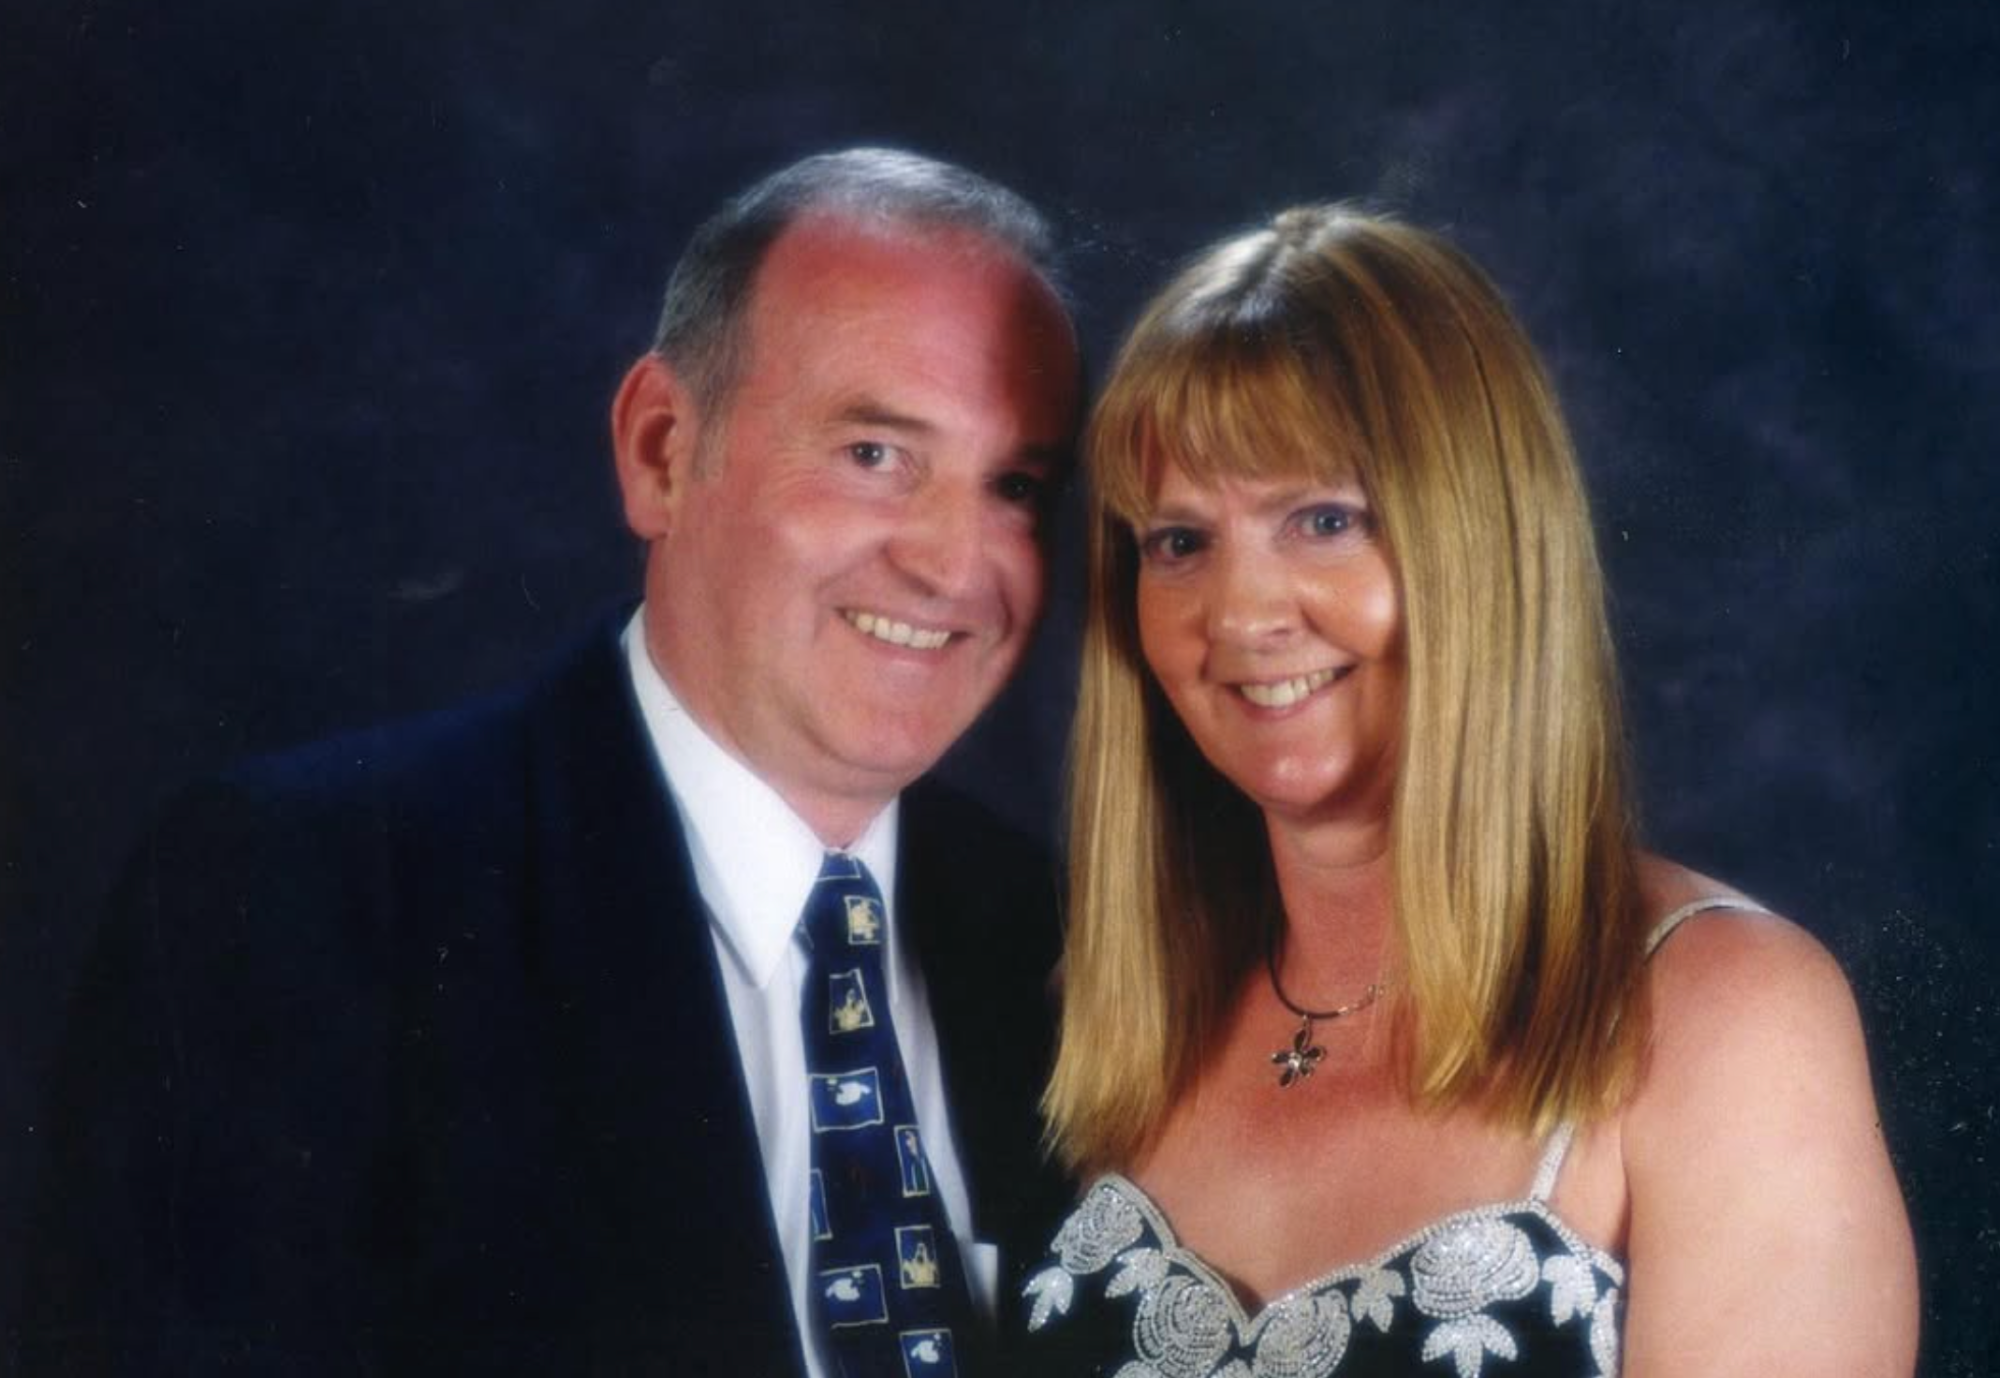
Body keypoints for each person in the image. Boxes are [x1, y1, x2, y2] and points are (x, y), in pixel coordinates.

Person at [23, 148, 1081, 1376]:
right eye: (873, 455)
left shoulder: (1057, 940)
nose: (953, 564)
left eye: (1013, 485)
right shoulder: (298, 899)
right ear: (660, 450)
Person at [1018, 207, 1916, 1376]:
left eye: (1323, 520)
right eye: (1179, 542)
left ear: (1479, 548)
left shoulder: (1726, 1017)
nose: (1238, 614)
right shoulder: (1114, 1009)